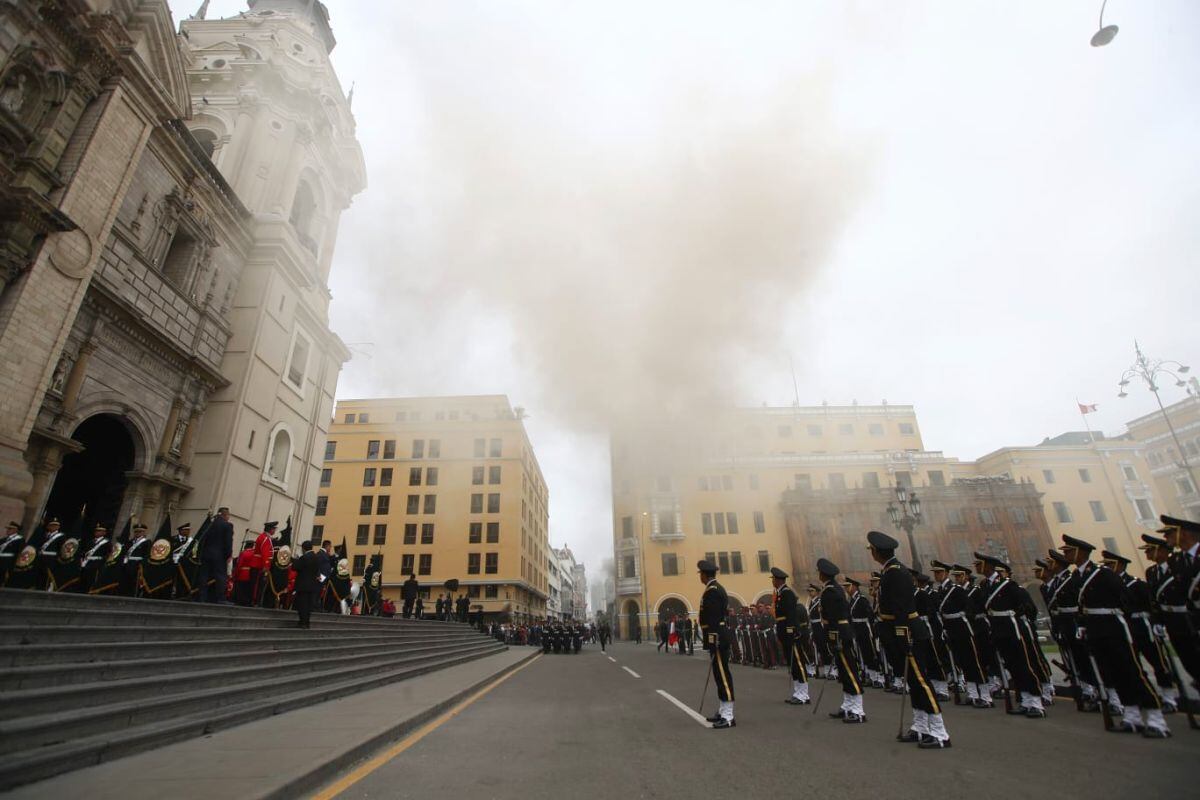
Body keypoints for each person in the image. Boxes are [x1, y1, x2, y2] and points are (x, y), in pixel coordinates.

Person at [1061, 534, 1169, 738]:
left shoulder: (1103, 574)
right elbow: (1083, 606)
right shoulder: (1077, 577)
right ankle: (1132, 716)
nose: (1066, 554)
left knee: (1131, 671)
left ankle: (1156, 719)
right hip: (1095, 629)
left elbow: (1125, 599)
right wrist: (1083, 625)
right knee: (1113, 673)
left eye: (1068, 551)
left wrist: (1122, 619)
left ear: (1081, 552)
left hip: (1113, 628)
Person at [870, 529, 951, 748]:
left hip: (907, 633)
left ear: (877, 552)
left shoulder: (896, 572)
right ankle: (921, 727)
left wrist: (902, 635)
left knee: (921, 681)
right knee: (913, 683)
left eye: (872, 550)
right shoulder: (891, 571)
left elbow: (902, 608)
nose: (871, 553)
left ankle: (939, 731)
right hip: (899, 632)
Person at [817, 558, 864, 723]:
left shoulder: (831, 591)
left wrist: (834, 637)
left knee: (849, 671)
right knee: (844, 672)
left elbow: (834, 617)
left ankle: (858, 709)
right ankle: (848, 705)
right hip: (840, 632)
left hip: (839, 634)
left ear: (823, 574)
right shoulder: (834, 589)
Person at [697, 559, 735, 729]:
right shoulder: (713, 589)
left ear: (705, 575)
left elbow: (712, 619)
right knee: (719, 675)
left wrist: (712, 639)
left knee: (722, 675)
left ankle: (728, 716)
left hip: (717, 636)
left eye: (701, 574)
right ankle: (723, 710)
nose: (700, 577)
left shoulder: (713, 591)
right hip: (716, 635)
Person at [771, 566, 810, 705]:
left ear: (778, 580)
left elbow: (791, 615)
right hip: (784, 630)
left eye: (773, 579)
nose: (772, 581)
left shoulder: (787, 593)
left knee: (798, 662)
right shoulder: (780, 594)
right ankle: (797, 692)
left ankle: (804, 693)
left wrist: (791, 631)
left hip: (790, 632)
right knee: (792, 663)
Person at [198, 507, 233, 603]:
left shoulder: (210, 524)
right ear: (225, 515)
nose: (229, 517)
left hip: (206, 554)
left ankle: (202, 597)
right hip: (219, 556)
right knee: (221, 576)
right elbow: (228, 542)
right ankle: (220, 598)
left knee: (204, 575)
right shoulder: (227, 526)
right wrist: (228, 555)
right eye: (228, 515)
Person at [291, 540, 320, 629]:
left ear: (303, 548)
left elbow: (296, 567)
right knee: (308, 606)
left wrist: (294, 559)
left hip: (303, 585)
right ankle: (307, 622)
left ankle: (302, 622)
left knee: (302, 605)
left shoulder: (304, 557)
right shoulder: (316, 557)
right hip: (312, 586)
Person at [249, 521, 276, 607]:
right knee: (258, 584)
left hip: (259, 564)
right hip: (259, 564)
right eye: (274, 529)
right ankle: (255, 601)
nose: (274, 530)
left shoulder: (265, 537)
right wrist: (266, 565)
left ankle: (255, 601)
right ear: (270, 529)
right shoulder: (265, 538)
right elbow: (265, 553)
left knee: (258, 584)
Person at [122, 523, 150, 596]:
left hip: (137, 564)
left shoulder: (147, 542)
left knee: (134, 581)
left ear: (144, 532)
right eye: (136, 531)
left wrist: (142, 564)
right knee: (125, 580)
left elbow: (147, 554)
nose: (138, 533)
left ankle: (133, 595)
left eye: (140, 531)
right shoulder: (130, 542)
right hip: (127, 563)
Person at [0, 521, 24, 586]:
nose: (7, 530)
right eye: (8, 528)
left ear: (15, 530)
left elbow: (19, 552)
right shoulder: (3, 540)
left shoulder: (20, 540)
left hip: (8, 562)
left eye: (10, 529)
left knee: (3, 578)